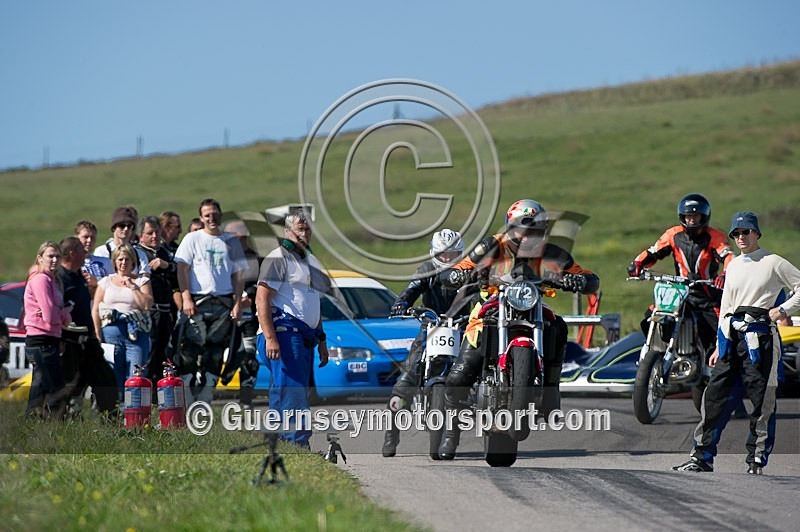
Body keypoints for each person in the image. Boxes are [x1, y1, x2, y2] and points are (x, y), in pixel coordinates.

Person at [437, 199, 600, 460]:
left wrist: (579, 279)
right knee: (459, 374)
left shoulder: (553, 253)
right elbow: (462, 266)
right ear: (511, 228)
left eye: (536, 230)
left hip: (532, 305)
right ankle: (451, 433)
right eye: (525, 230)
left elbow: (589, 278)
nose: (530, 236)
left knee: (557, 325)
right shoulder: (491, 246)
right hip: (491, 308)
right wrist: (457, 275)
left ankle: (551, 387)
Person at [674, 212, 800, 474]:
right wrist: (720, 345)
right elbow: (727, 305)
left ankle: (756, 459)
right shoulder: (733, 265)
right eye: (736, 234)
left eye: (745, 232)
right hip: (732, 338)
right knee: (714, 398)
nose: (740, 237)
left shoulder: (773, 262)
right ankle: (702, 457)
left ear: (756, 233)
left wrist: (783, 310)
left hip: (761, 339)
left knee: (762, 401)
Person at [382, 229, 469, 457]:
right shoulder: (426, 270)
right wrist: (401, 304)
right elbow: (410, 291)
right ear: (434, 253)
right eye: (443, 254)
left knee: (474, 373)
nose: (448, 259)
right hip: (431, 327)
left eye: (453, 254)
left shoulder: (470, 272)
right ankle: (392, 434)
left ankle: (457, 433)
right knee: (404, 381)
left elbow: (482, 294)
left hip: (463, 327)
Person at [255, 210, 331, 448]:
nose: (305, 232)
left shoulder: (310, 260)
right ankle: (297, 444)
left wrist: (321, 340)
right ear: (287, 231)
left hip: (305, 336)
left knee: (284, 390)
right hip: (284, 333)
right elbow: (261, 299)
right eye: (300, 228)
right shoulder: (279, 258)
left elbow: (312, 303)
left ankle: (279, 443)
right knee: (293, 391)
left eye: (308, 228)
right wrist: (271, 338)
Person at [628, 193, 733, 362]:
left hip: (708, 295)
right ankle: (658, 354)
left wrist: (725, 274)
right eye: (688, 216)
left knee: (722, 331)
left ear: (704, 216)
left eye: (695, 216)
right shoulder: (673, 234)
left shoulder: (716, 236)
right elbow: (654, 252)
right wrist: (637, 264)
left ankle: (714, 367)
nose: (691, 220)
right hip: (681, 293)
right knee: (651, 314)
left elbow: (728, 256)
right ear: (681, 217)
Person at [174, 198, 247, 405]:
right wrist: (186, 296)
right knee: (190, 348)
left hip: (223, 302)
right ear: (201, 217)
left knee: (216, 351)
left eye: (215, 214)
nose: (211, 218)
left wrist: (237, 303)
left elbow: (239, 275)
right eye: (207, 215)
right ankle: (187, 398)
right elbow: (182, 269)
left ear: (220, 215)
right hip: (198, 300)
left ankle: (206, 398)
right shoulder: (192, 238)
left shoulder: (231, 241)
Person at [57, 236, 118, 418]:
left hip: (87, 339)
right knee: (68, 384)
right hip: (68, 341)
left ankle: (111, 419)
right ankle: (58, 421)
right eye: (81, 250)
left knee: (106, 379)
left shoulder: (79, 276)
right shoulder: (59, 279)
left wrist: (93, 332)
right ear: (71, 253)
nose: (86, 252)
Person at [91, 244, 154, 409]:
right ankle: (115, 410)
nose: (123, 263)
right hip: (111, 332)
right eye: (120, 259)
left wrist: (134, 288)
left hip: (136, 331)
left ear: (133, 261)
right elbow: (96, 308)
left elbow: (147, 305)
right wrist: (97, 332)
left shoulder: (142, 281)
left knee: (136, 372)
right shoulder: (105, 282)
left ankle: (134, 411)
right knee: (114, 372)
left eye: (127, 259)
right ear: (114, 261)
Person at [23, 241, 73, 419]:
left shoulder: (54, 280)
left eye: (57, 256)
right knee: (53, 386)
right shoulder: (40, 279)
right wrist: (60, 313)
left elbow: (62, 316)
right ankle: (52, 422)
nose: (54, 260)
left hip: (51, 337)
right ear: (40, 258)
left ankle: (34, 421)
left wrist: (60, 313)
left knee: (43, 385)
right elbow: (51, 315)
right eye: (50, 256)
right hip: (40, 339)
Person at [219, 219, 261, 407]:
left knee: (249, 356)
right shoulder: (221, 258)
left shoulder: (257, 259)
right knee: (220, 356)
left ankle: (246, 397)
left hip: (249, 317)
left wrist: (251, 298)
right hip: (223, 315)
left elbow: (263, 286)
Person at [136, 216, 178, 385]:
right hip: (149, 312)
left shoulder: (164, 252)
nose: (154, 236)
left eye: (157, 232)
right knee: (149, 354)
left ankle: (157, 396)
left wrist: (166, 265)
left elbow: (178, 274)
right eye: (150, 233)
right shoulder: (137, 253)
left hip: (167, 311)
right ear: (140, 236)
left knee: (163, 355)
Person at [93, 207, 151, 278]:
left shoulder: (139, 254)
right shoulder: (101, 252)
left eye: (129, 226)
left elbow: (145, 280)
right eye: (122, 225)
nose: (126, 229)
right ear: (114, 227)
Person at [75, 220, 111, 294]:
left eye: (92, 237)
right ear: (76, 238)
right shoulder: (71, 262)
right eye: (85, 237)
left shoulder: (107, 262)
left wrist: (97, 282)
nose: (89, 240)